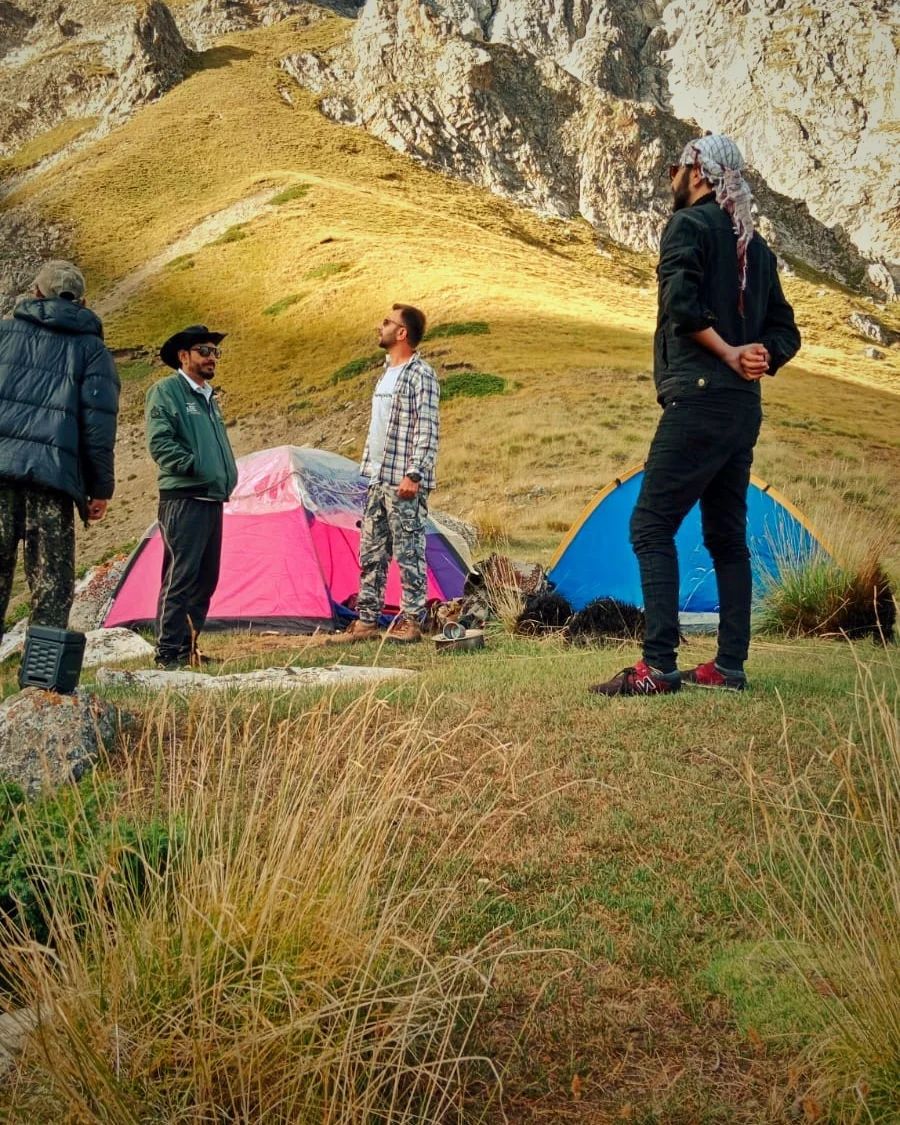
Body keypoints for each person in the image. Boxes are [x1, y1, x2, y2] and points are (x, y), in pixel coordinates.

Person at [591, 134, 800, 697]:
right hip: (741, 410)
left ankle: (657, 665)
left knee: (650, 526)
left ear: (699, 172)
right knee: (727, 536)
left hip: (698, 397)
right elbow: (787, 332)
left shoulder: (688, 227)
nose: (671, 178)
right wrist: (763, 353)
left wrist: (732, 352)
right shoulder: (757, 249)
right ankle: (728, 666)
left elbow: (680, 308)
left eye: (675, 168)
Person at [0, 260, 119, 644]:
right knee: (51, 586)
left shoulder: (3, 333)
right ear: (83, 301)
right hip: (54, 481)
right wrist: (99, 488)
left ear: (35, 292)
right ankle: (41, 686)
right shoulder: (92, 350)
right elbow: (98, 426)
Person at [344, 304, 439, 643]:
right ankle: (366, 622)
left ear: (402, 333)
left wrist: (415, 473)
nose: (379, 326)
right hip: (377, 477)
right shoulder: (386, 373)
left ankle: (413, 623)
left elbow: (427, 428)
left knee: (409, 550)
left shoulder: (420, 374)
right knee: (371, 552)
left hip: (404, 480)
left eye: (386, 322)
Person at [146, 324, 237, 669]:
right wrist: (195, 466)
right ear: (183, 356)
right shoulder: (166, 391)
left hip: (211, 497)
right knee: (181, 577)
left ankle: (189, 648)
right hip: (184, 498)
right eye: (204, 350)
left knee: (205, 578)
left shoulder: (208, 396)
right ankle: (168, 652)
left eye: (215, 351)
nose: (211, 356)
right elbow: (160, 441)